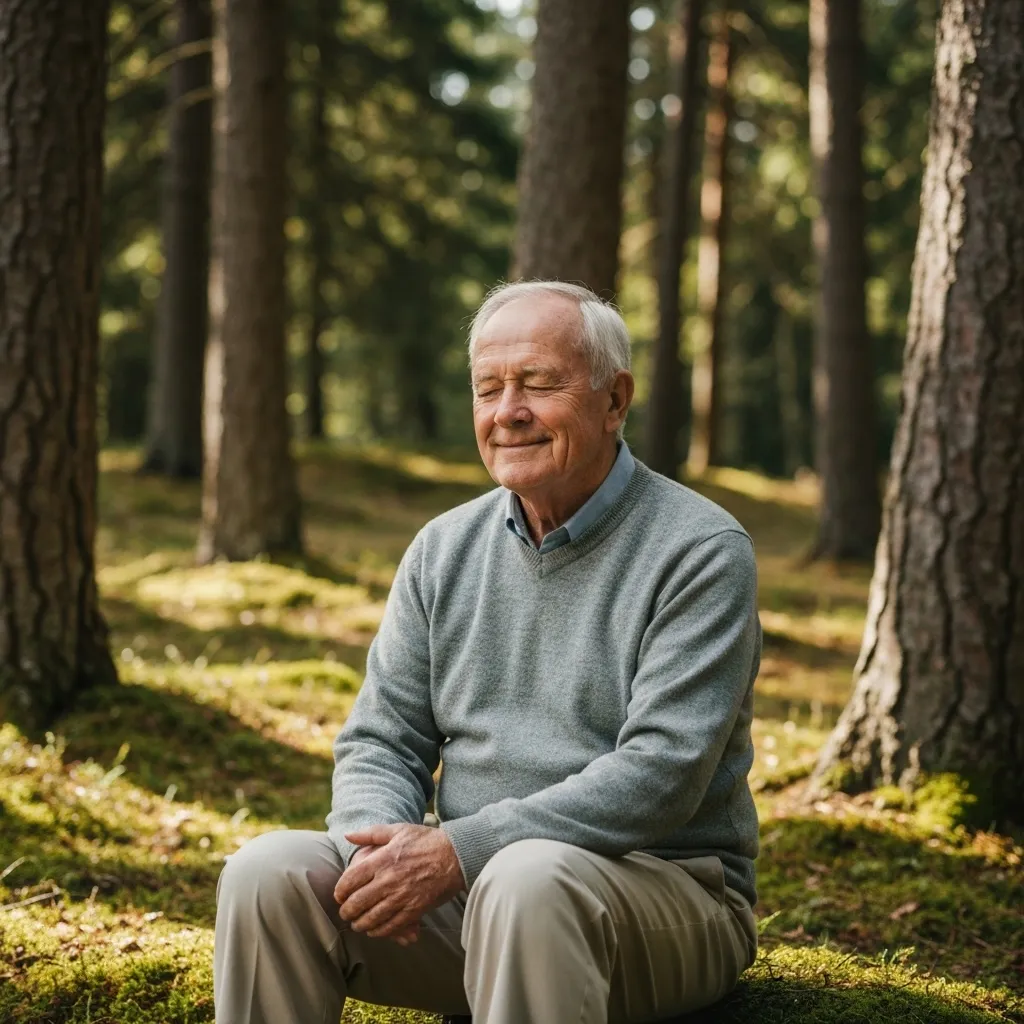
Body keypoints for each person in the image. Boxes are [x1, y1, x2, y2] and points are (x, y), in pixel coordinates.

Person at [213, 281, 761, 1024]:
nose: (508, 411)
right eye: (489, 388)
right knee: (268, 873)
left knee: (528, 881)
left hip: (667, 896)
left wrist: (458, 852)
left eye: (539, 384)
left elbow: (661, 774)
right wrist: (375, 856)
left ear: (614, 399)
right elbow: (382, 739)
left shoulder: (699, 549)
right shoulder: (443, 548)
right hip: (478, 893)